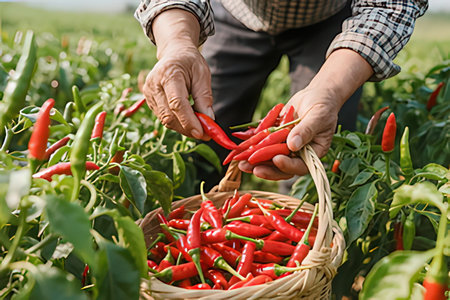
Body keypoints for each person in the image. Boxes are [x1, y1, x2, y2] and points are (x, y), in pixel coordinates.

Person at [134, 0, 428, 184]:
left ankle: (307, 261)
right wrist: (177, 43)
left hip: (330, 20)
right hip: (236, 13)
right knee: (205, 134)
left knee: (312, 145)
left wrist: (329, 89)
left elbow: (391, 5)